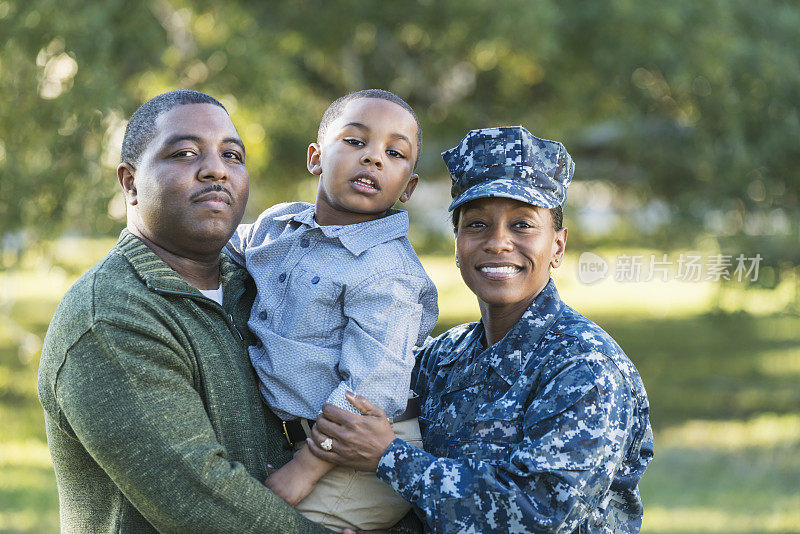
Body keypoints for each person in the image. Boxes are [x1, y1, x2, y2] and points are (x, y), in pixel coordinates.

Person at [308, 126, 655, 533]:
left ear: (557, 246)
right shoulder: (442, 359)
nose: (498, 242)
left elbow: (538, 511)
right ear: (456, 243)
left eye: (523, 225)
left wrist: (389, 457)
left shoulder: (586, 368)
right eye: (477, 225)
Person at [37, 90, 333, 533]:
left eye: (232, 155)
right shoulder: (111, 318)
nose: (216, 168)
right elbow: (204, 507)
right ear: (130, 182)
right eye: (184, 152)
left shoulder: (260, 284)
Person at [225, 89, 438, 532]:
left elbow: (372, 384)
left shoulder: (388, 272)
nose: (373, 158)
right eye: (355, 142)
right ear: (316, 157)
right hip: (301, 437)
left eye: (394, 153)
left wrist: (305, 467)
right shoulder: (279, 225)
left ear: (408, 188)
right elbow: (224, 248)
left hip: (355, 454)